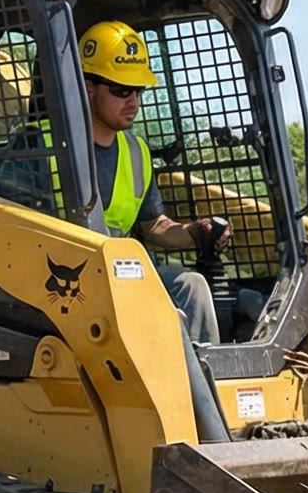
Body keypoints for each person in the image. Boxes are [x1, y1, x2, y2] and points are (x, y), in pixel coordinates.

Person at [79, 19, 231, 347]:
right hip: (69, 277)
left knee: (191, 285)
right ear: (87, 86)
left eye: (139, 90)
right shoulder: (42, 145)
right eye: (121, 90)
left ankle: (206, 385)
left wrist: (192, 231)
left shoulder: (136, 153)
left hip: (122, 272)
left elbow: (154, 224)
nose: (133, 101)